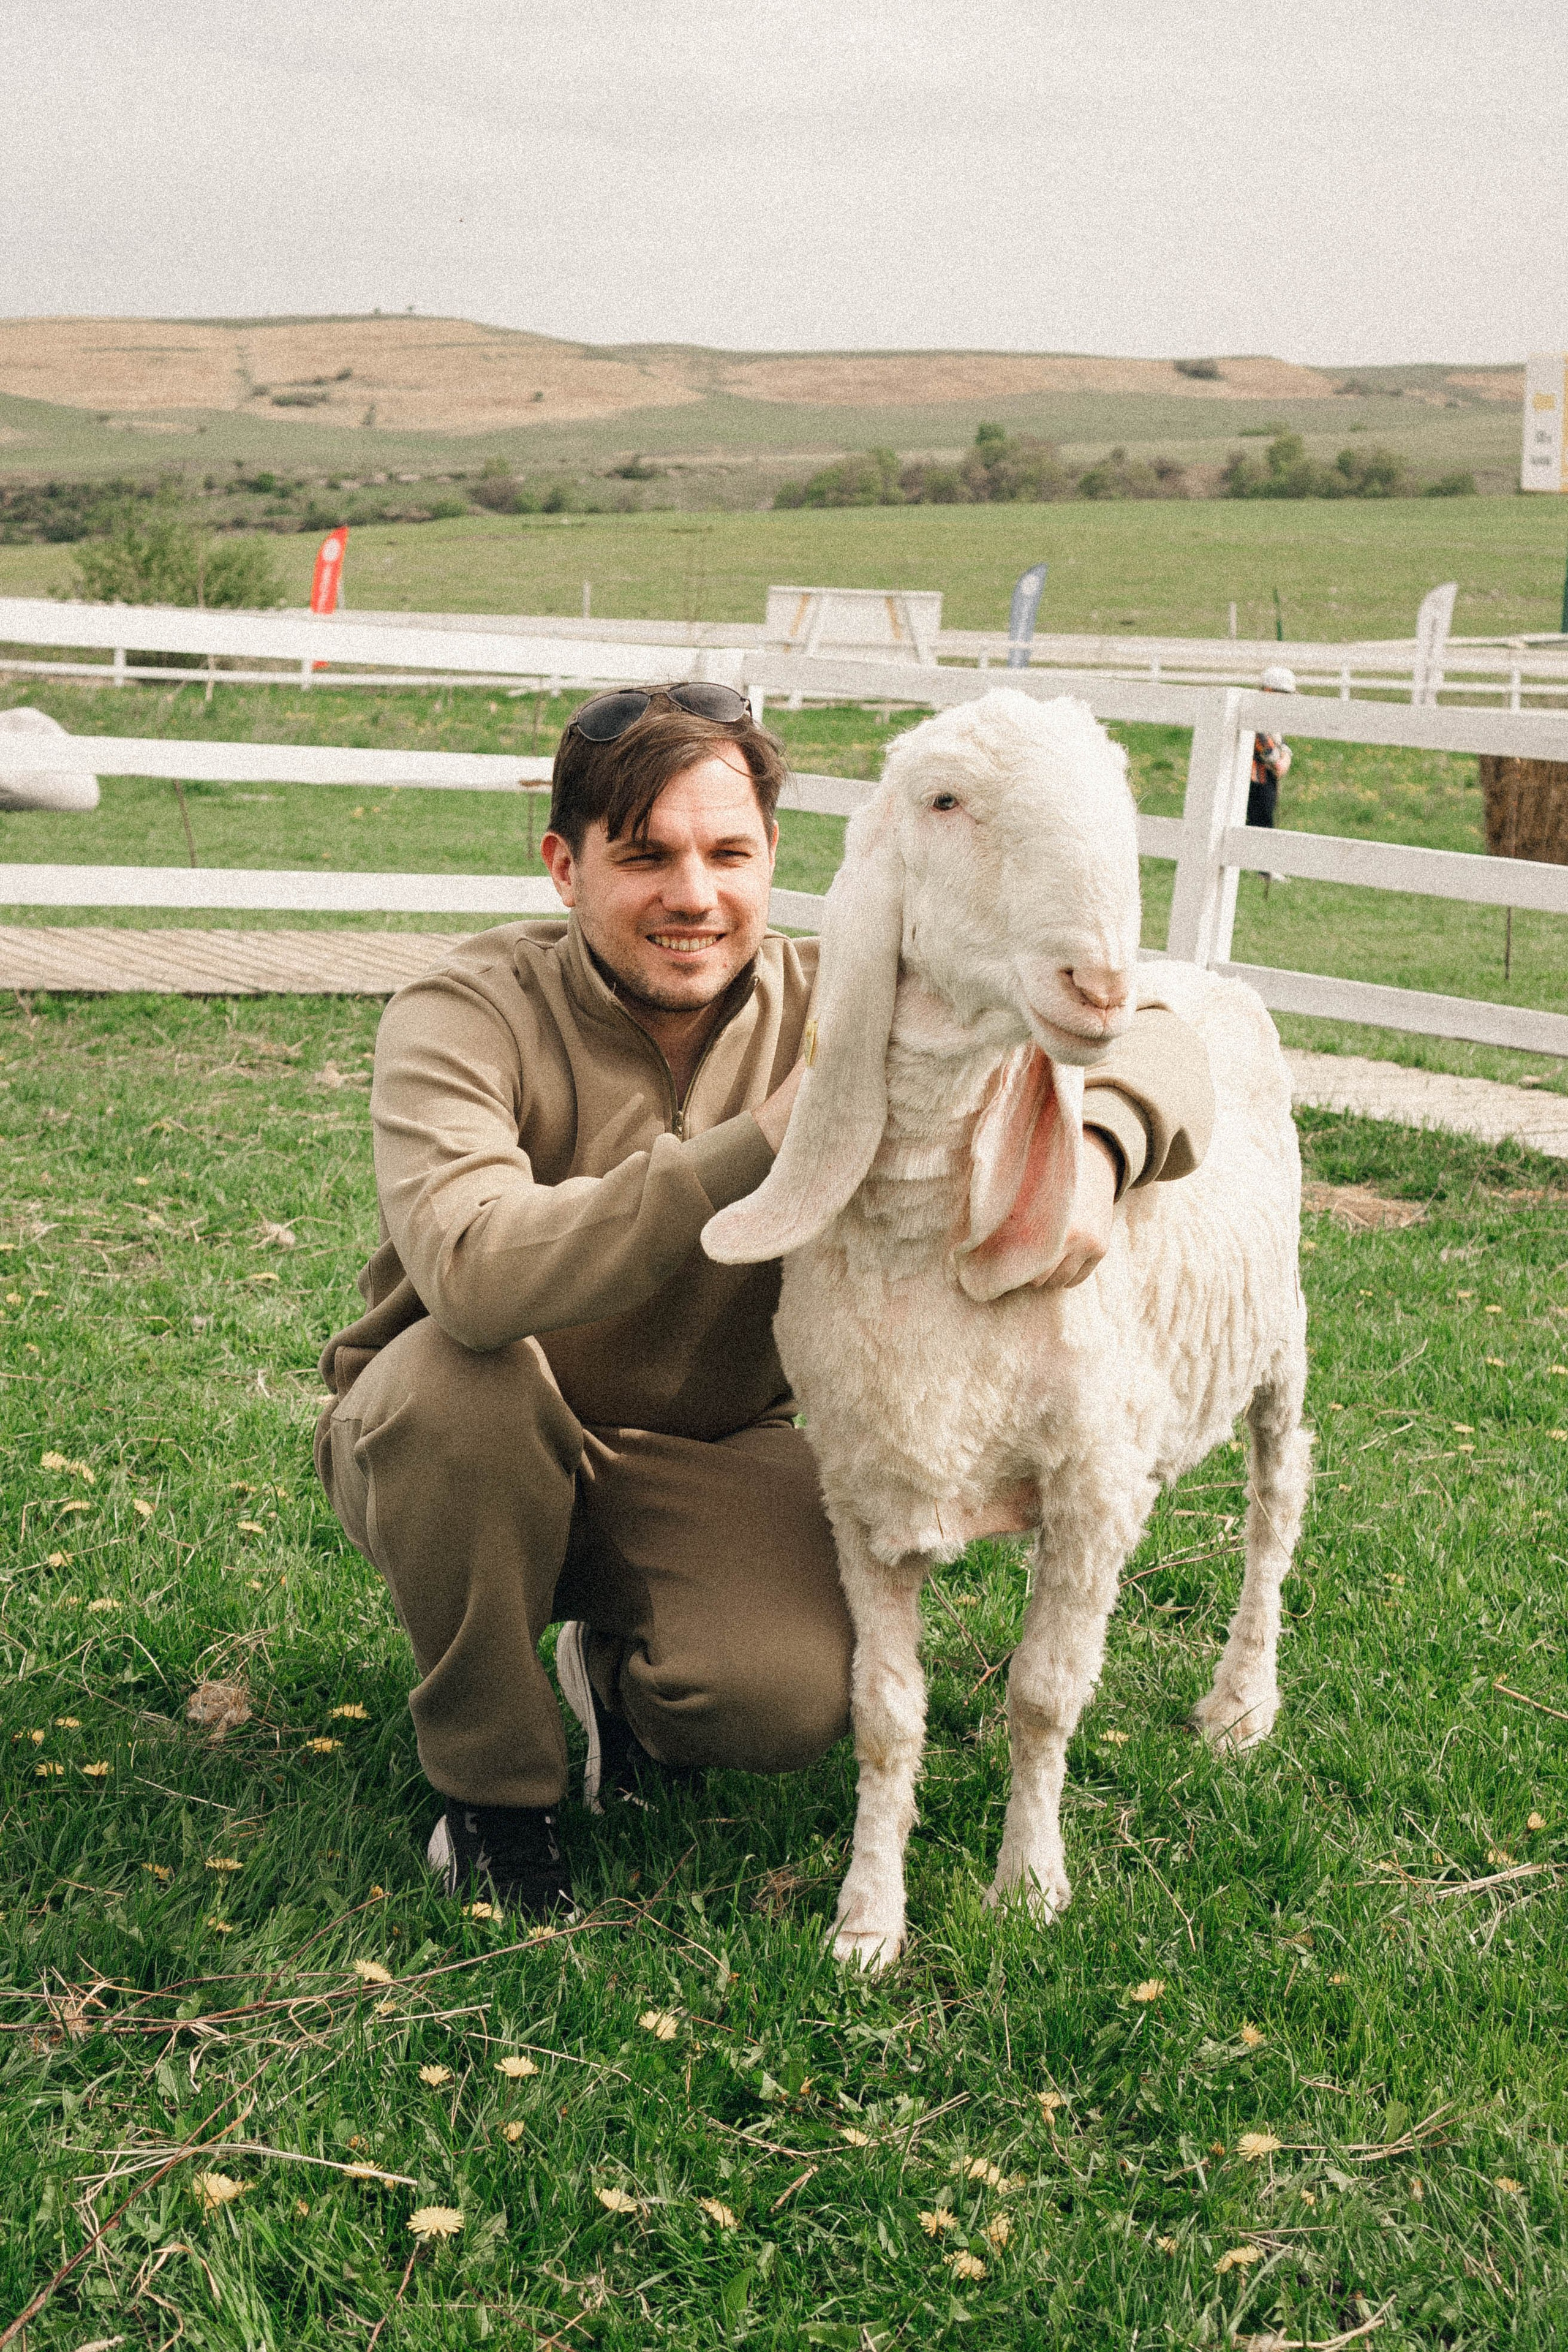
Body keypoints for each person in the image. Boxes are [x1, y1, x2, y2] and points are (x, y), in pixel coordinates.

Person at [313, 682, 1216, 1915]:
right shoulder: (464, 1014)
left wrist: (1100, 1152)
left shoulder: (829, 993)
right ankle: (494, 1795)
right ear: (562, 865)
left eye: (727, 853)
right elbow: (472, 1275)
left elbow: (1163, 1035)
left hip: (712, 1445)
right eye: (645, 857)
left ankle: (620, 1679)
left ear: (772, 859)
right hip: (468, 1435)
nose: (693, 895)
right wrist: (771, 1139)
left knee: (781, 1700)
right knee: (452, 1389)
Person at [1248, 663, 1295, 883]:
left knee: (1262, 820)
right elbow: (1270, 754)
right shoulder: (1258, 716)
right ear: (1269, 692)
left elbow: (1281, 745)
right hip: (1258, 779)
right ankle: (1264, 868)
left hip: (1263, 778)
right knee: (1262, 821)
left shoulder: (1270, 716)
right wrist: (1283, 759)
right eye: (1283, 695)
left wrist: (1283, 754)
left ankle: (1262, 866)